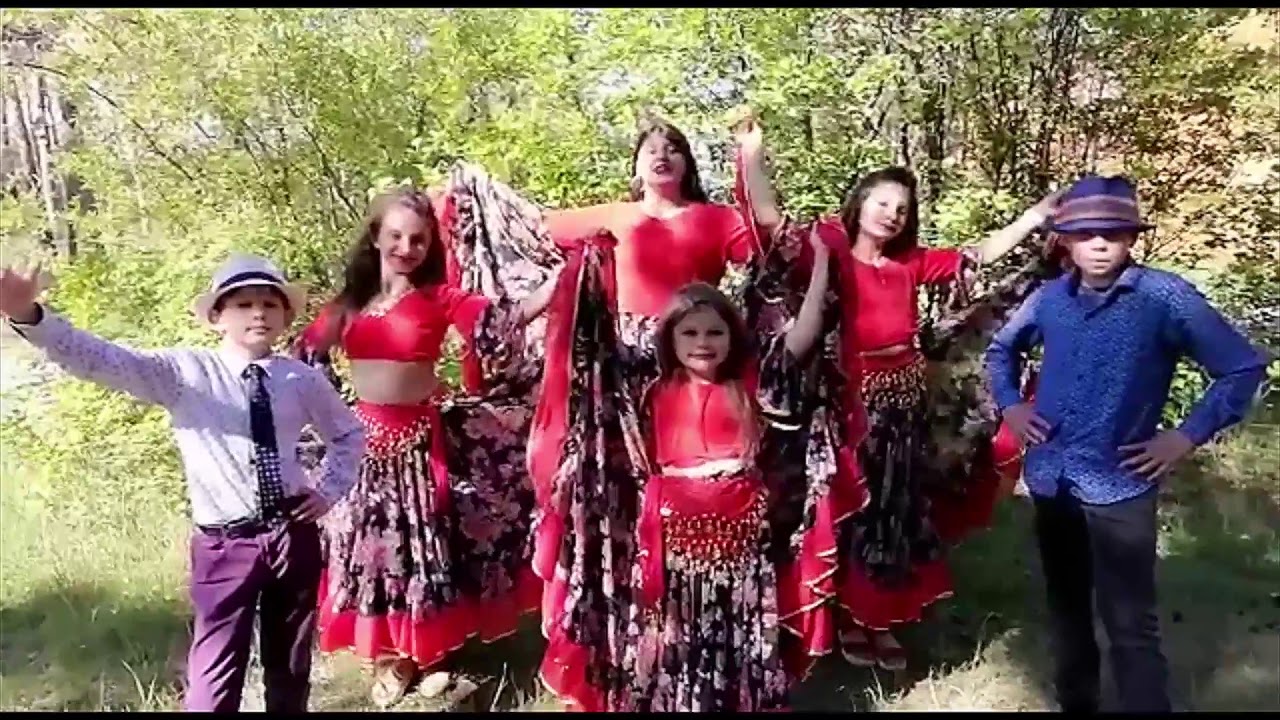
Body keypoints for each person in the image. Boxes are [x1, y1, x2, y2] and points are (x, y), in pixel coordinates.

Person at [526, 117, 852, 709]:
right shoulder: (613, 216)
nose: (662, 155)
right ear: (634, 164)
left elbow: (771, 242)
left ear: (688, 163)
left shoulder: (714, 220)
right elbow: (534, 229)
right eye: (650, 148)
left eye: (673, 147)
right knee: (617, 514)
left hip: (710, 366)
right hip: (630, 377)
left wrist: (752, 157)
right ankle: (628, 654)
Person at [735, 115, 1062, 670]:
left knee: (895, 512)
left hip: (905, 407)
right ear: (860, 203)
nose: (892, 214)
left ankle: (878, 619)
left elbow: (978, 255)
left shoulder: (910, 262)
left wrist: (1034, 217)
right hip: (848, 408)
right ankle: (844, 616)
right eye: (883, 202)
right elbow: (770, 222)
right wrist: (752, 154)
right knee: (853, 509)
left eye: (903, 208)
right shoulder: (829, 250)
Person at [0, 254, 365, 712]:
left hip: (292, 534)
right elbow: (103, 360)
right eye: (243, 304)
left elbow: (348, 434)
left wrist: (328, 489)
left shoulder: (301, 378)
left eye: (270, 304)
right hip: (225, 544)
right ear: (217, 317)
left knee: (289, 662)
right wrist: (29, 316)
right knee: (215, 669)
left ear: (285, 316)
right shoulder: (186, 374)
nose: (258, 313)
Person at [984, 175, 1268, 712]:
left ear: (1132, 237)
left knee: (1130, 622)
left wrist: (1184, 436)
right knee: (1066, 607)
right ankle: (1078, 702)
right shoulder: (1049, 299)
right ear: (1065, 240)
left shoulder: (1164, 297)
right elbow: (1001, 350)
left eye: (1112, 233)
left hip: (1121, 483)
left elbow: (1242, 368)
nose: (1098, 244)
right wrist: (1011, 404)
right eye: (1085, 233)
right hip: (1052, 477)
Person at [292, 187, 559, 707]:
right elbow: (303, 356)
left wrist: (557, 285)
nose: (406, 248)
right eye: (396, 236)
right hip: (361, 444)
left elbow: (504, 321)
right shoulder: (349, 305)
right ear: (375, 237)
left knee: (419, 544)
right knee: (370, 547)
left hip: (418, 445)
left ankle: (424, 653)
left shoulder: (441, 298)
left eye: (418, 240)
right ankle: (388, 654)